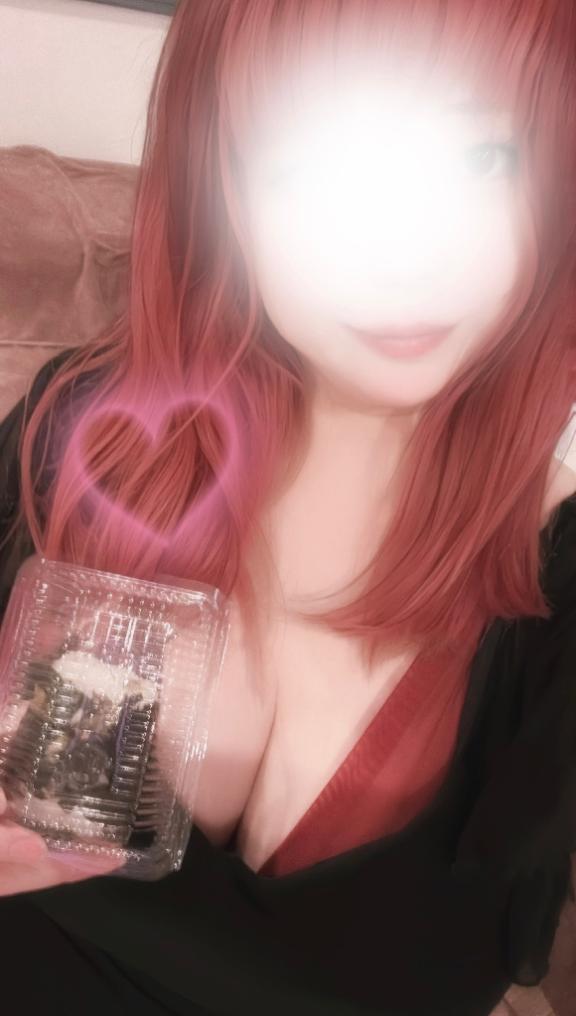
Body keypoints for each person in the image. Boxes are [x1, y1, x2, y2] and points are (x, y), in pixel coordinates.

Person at [0, 0, 575, 1013]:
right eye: (326, 172)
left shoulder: (554, 570)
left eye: (483, 157)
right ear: (221, 184)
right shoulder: (84, 429)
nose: (409, 255)